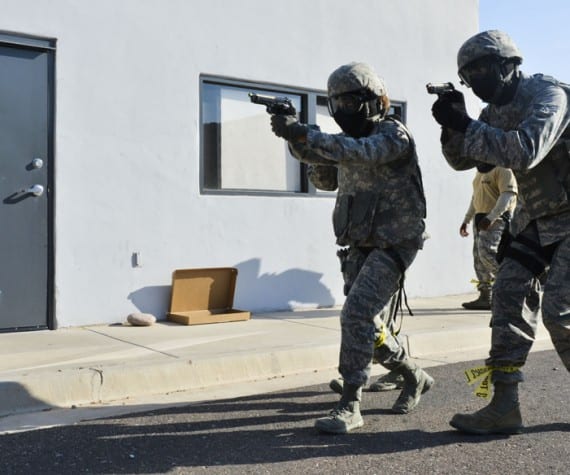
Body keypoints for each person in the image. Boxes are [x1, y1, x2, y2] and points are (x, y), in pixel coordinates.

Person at [269, 62, 433, 434]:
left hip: (395, 241)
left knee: (356, 315)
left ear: (374, 101)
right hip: (359, 241)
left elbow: (361, 152)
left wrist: (305, 134)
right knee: (368, 323)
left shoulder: (393, 135)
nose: (342, 110)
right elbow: (326, 175)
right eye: (336, 103)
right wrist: (297, 140)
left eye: (350, 101)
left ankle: (351, 403)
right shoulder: (349, 144)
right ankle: (414, 375)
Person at [431, 30, 570, 435]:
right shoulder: (492, 111)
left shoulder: (550, 95)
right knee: (507, 298)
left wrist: (467, 124)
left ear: (509, 65)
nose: (474, 81)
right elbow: (464, 162)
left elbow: (524, 150)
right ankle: (504, 405)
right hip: (539, 219)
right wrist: (452, 125)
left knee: (559, 313)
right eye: (467, 76)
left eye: (480, 70)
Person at [460, 166, 517, 310]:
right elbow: (475, 197)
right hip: (480, 217)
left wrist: (491, 217)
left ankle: (511, 285)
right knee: (479, 257)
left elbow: (508, 196)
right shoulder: (480, 171)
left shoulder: (503, 168)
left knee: (487, 254)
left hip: (495, 219)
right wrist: (467, 220)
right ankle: (486, 296)